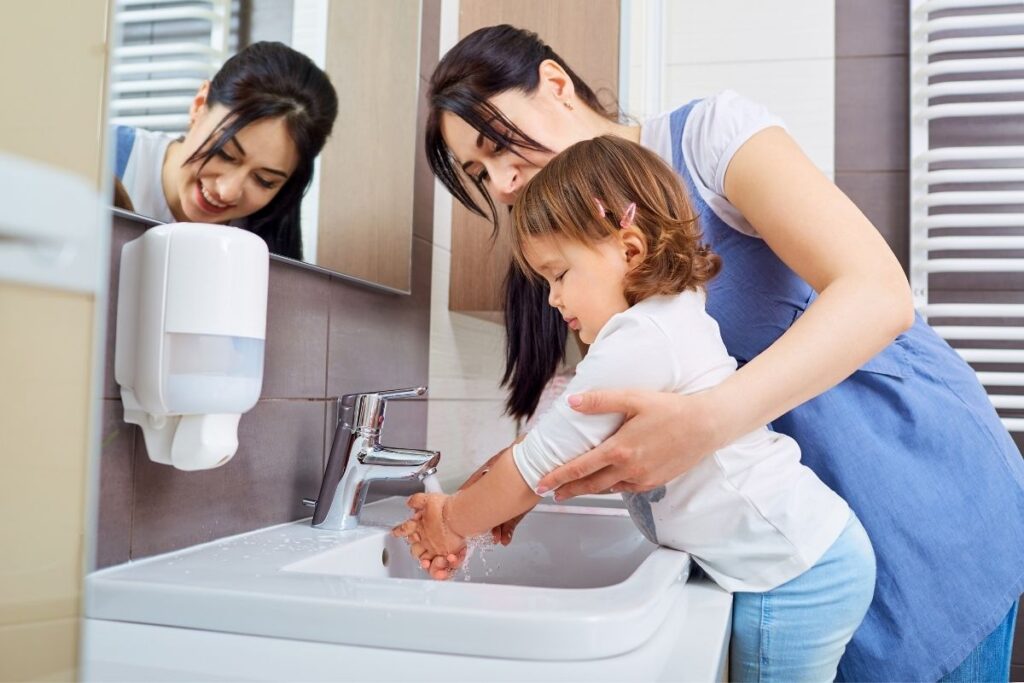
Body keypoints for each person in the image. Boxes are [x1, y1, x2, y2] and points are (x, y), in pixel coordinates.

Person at [421, 24, 1024, 683]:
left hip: (914, 485)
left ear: (557, 85)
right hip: (798, 530)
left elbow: (880, 295)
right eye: (480, 174)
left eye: (498, 143)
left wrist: (704, 421)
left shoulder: (706, 139)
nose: (504, 183)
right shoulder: (583, 249)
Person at [395, 135, 876, 681]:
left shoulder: (642, 335)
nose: (552, 299)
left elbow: (536, 463)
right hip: (800, 554)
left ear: (629, 250)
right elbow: (551, 454)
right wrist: (503, 498)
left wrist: (452, 522)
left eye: (559, 274)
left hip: (794, 573)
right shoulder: (667, 316)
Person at [113, 41, 338, 260]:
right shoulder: (102, 156)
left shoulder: (265, 248)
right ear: (199, 105)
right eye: (225, 154)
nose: (228, 191)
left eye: (264, 180)